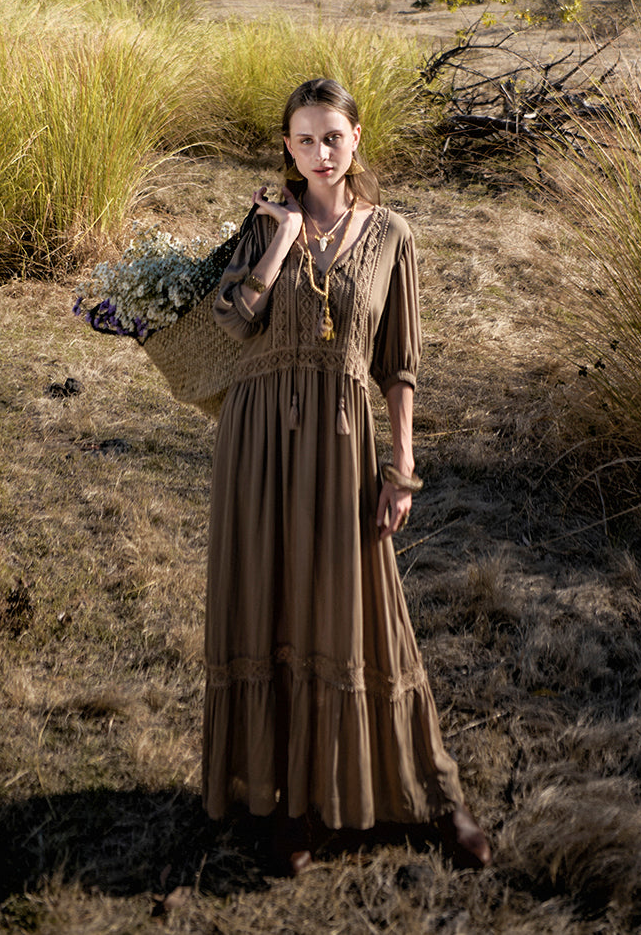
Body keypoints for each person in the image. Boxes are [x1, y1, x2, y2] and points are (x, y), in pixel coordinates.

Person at [207, 77, 491, 875]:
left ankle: (433, 793)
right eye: (303, 139)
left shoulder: (393, 233)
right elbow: (233, 321)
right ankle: (288, 802)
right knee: (270, 602)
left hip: (341, 437)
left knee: (363, 610)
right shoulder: (264, 219)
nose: (319, 152)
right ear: (287, 147)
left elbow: (400, 363)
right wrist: (280, 239)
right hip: (257, 438)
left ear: (356, 139)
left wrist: (401, 466)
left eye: (332, 137)